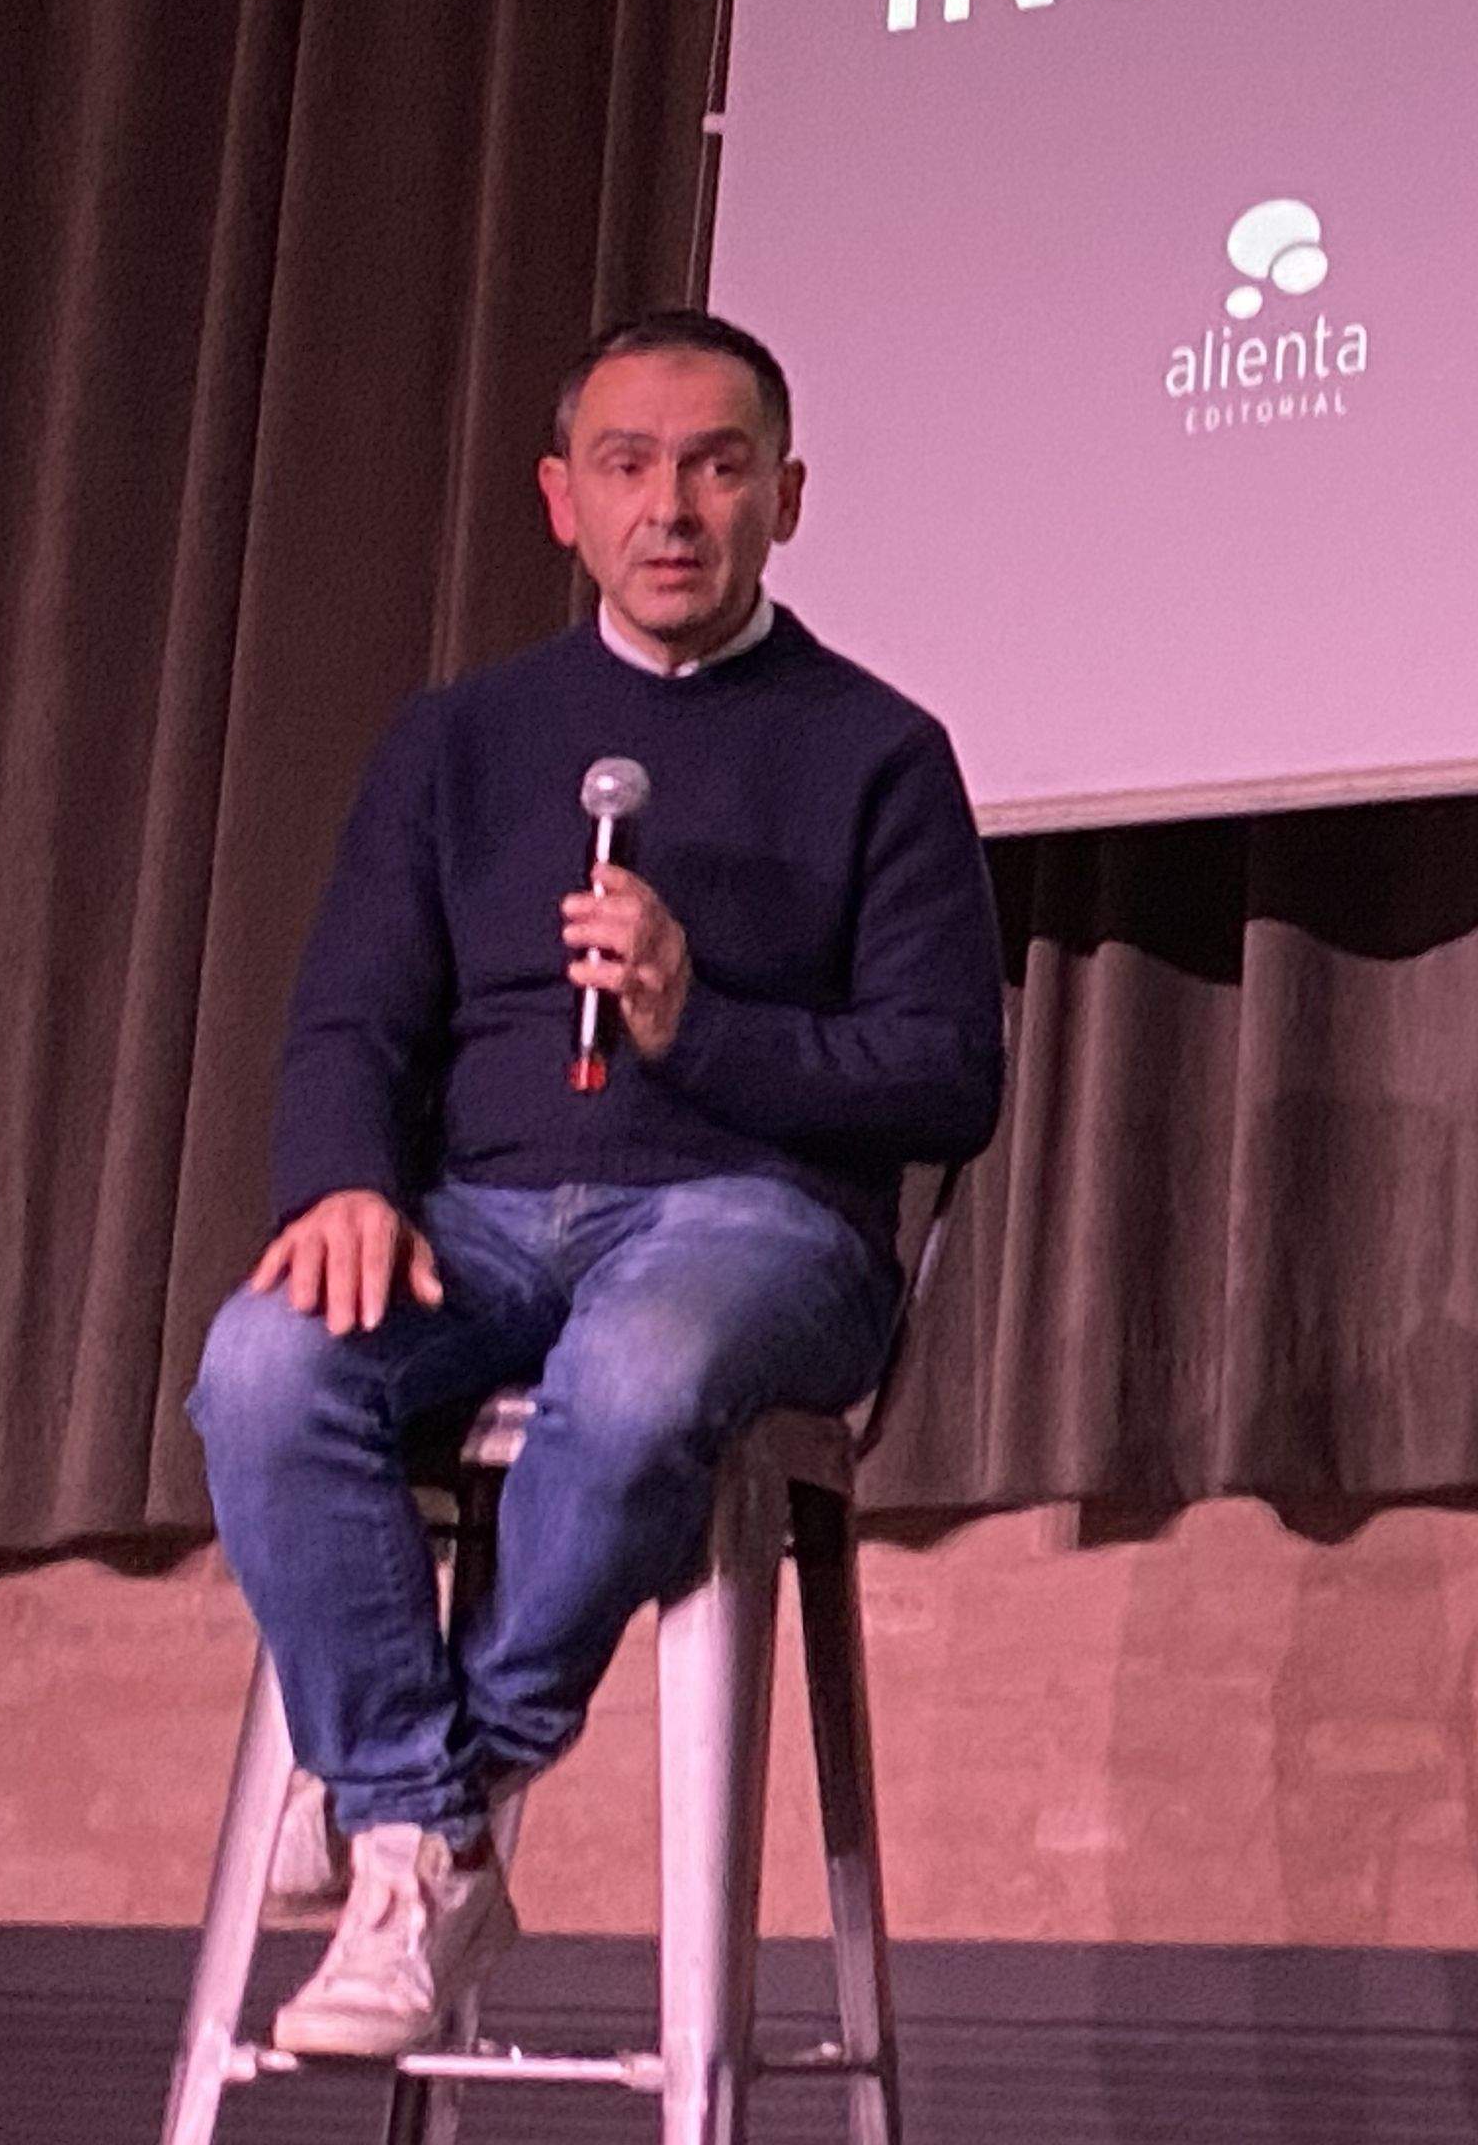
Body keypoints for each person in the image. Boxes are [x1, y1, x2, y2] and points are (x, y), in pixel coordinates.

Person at [188, 307, 1007, 2060]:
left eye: (719, 467)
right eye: (630, 467)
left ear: (787, 496)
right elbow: (350, 1012)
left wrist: (696, 1022)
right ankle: (433, 1825)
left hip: (756, 1223)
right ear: (563, 500)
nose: (674, 509)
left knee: (637, 1372)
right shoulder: (461, 740)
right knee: (263, 1362)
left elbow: (950, 1077)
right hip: (479, 1216)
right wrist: (341, 1183)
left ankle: (413, 1815)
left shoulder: (882, 751)